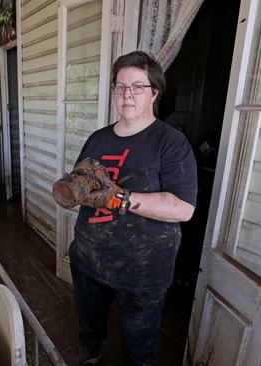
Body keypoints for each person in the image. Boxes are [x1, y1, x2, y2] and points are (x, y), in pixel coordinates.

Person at [62, 51, 197, 365]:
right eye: (120, 87)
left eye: (137, 86)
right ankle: (89, 355)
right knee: (88, 329)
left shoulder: (171, 143)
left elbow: (183, 208)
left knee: (139, 344)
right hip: (88, 259)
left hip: (142, 270)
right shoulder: (97, 139)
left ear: (154, 93)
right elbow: (83, 185)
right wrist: (74, 192)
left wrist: (119, 198)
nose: (127, 94)